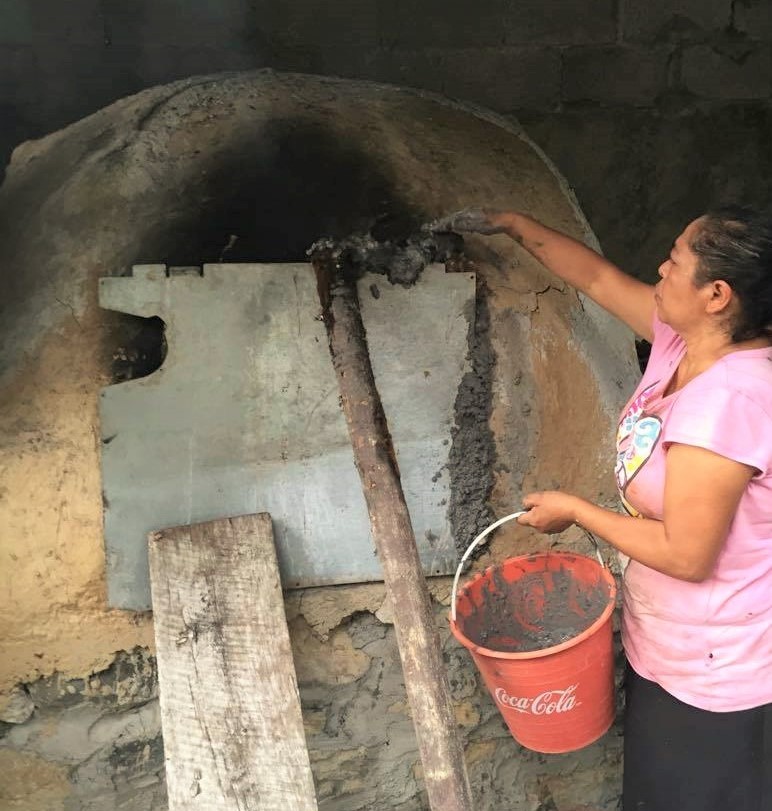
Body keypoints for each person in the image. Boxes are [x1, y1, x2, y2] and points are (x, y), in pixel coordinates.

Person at [431, 206, 772, 811]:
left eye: (676, 259)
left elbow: (687, 555)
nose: (661, 268)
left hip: (717, 667)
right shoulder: (681, 344)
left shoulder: (729, 400)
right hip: (673, 642)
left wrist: (579, 512)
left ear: (717, 294)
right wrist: (514, 222)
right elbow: (596, 279)